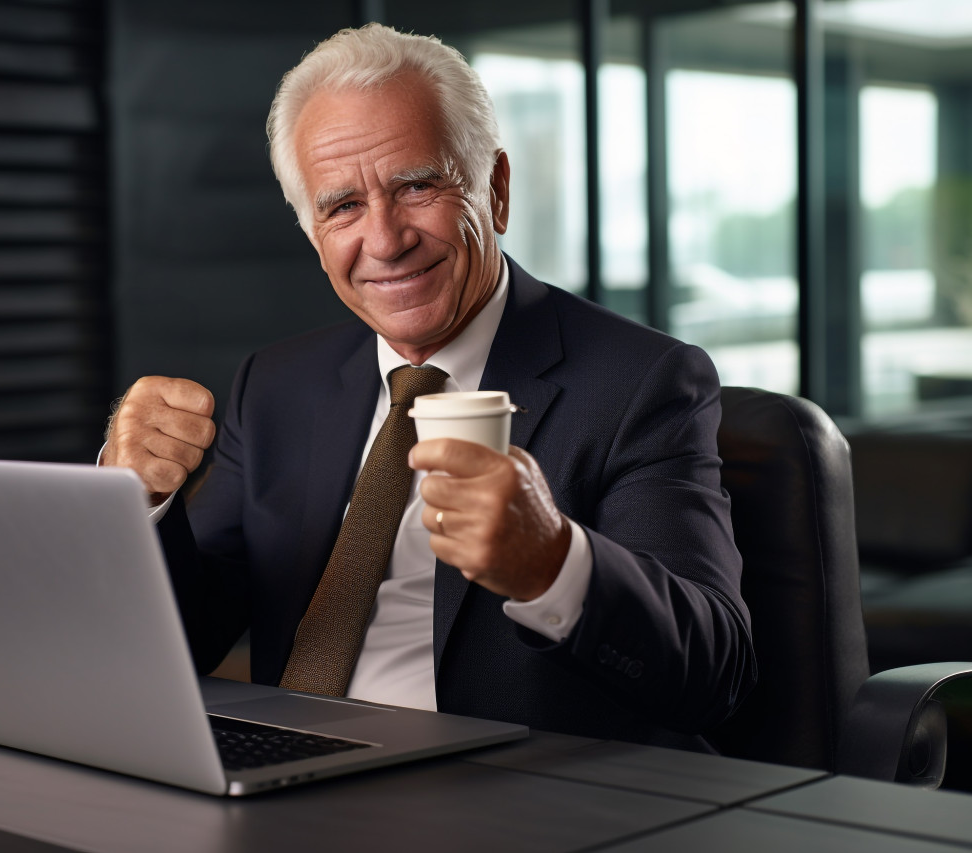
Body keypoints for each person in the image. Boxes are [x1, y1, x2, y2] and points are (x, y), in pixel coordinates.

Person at [101, 23, 756, 750]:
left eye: (417, 186)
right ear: (312, 232)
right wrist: (137, 502)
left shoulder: (641, 381)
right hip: (288, 782)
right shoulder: (277, 386)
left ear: (496, 190)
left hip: (514, 796)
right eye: (342, 205)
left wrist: (554, 563)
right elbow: (184, 637)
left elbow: (714, 672)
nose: (384, 241)